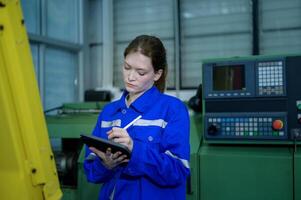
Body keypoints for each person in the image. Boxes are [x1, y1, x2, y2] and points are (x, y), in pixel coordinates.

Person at [84, 35, 190, 200]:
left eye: (140, 72)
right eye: (127, 67)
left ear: (157, 74)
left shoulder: (173, 109)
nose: (130, 77)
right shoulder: (109, 112)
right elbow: (91, 172)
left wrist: (135, 149)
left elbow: (178, 171)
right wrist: (105, 165)